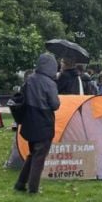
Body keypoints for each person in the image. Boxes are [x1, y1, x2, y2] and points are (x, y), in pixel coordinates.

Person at [15, 53, 61, 194]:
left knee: (33, 153)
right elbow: (54, 105)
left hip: (29, 121)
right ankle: (33, 188)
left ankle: (21, 183)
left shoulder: (30, 79)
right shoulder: (50, 83)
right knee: (39, 157)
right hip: (44, 121)